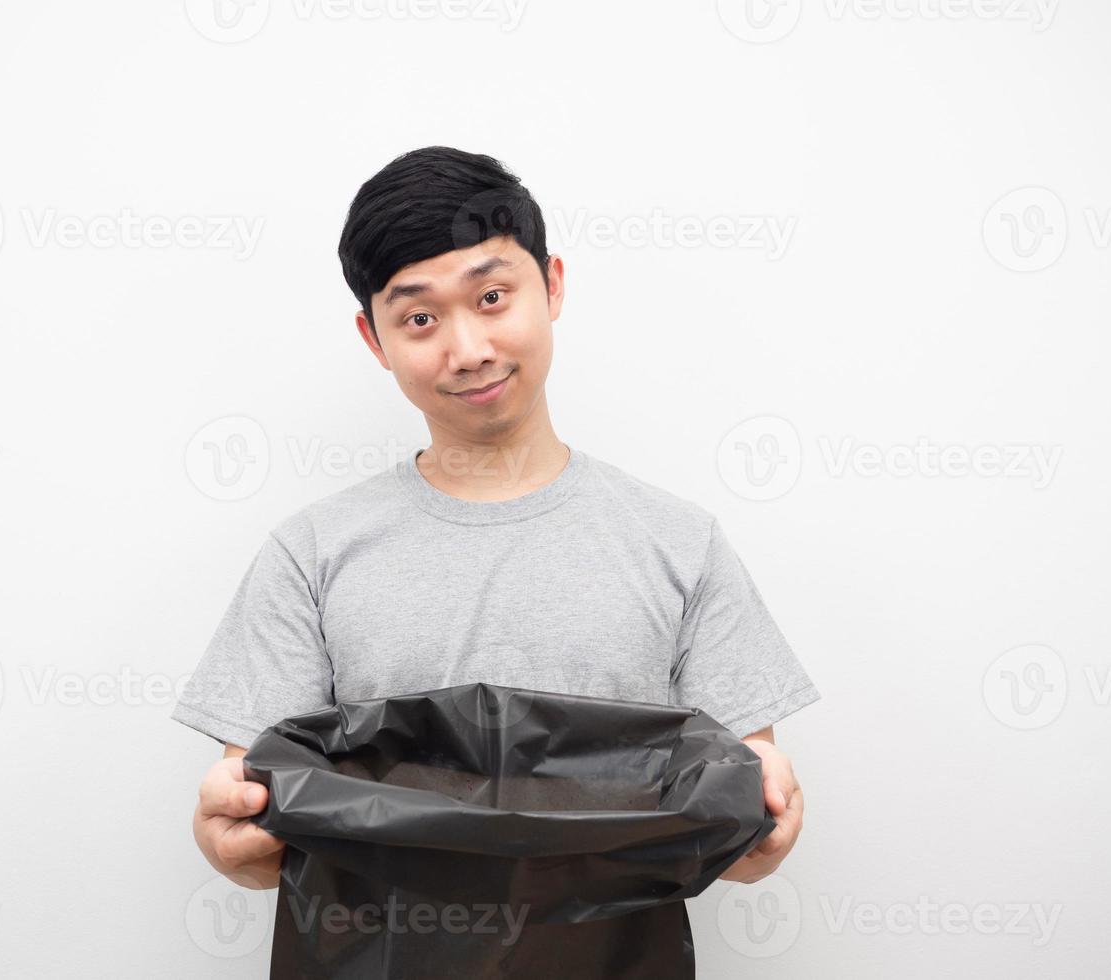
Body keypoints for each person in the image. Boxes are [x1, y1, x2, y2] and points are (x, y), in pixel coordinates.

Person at [175, 146, 821, 897]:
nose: (469, 351)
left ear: (550, 285)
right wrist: (228, 836)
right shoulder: (309, 556)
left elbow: (740, 839)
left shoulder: (680, 544)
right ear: (373, 340)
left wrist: (763, 825)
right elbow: (256, 831)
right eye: (419, 318)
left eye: (490, 298)